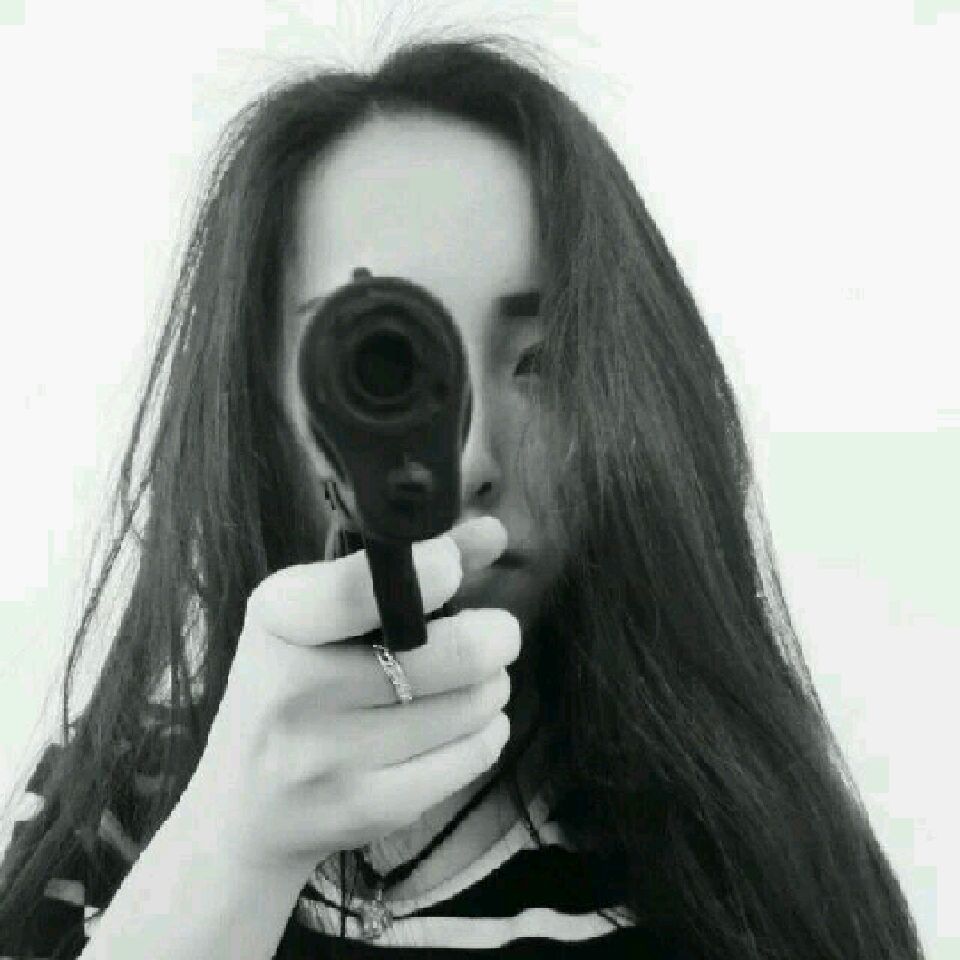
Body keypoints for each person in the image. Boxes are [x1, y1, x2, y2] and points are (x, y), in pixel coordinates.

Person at [0, 32, 926, 960]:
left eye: (544, 362)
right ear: (252, 401)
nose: (471, 457)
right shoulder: (110, 815)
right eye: (383, 360)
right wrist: (224, 859)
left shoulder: (736, 869)